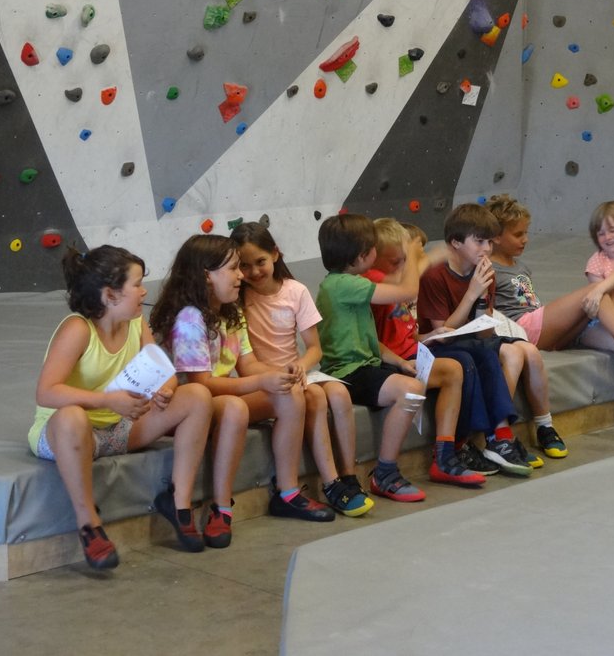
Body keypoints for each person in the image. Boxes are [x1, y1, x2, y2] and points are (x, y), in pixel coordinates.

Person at [32, 246, 214, 570]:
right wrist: (106, 400)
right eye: (137, 284)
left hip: (119, 427)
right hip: (71, 434)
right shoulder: (77, 329)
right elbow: (46, 392)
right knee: (73, 417)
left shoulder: (135, 321)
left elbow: (164, 371)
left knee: (197, 395)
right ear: (110, 295)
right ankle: (89, 523)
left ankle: (179, 501)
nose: (145, 291)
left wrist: (165, 392)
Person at [150, 235, 334, 524]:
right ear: (206, 276)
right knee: (236, 409)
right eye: (234, 268)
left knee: (292, 393)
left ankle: (287, 492)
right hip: (190, 407)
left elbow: (247, 365)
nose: (242, 276)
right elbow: (201, 384)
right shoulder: (189, 319)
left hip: (220, 397)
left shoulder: (231, 311)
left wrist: (281, 374)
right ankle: (221, 508)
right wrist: (262, 383)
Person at [230, 221, 373, 516]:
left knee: (339, 394)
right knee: (317, 398)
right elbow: (245, 364)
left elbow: (314, 349)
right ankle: (331, 484)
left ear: (275, 254)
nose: (254, 272)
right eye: (245, 266)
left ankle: (348, 477)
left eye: (260, 262)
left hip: (298, 372)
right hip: (264, 378)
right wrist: (281, 374)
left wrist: (301, 366)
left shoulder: (295, 291)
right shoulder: (240, 299)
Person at [417, 203, 569, 472]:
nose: (487, 249)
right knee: (477, 357)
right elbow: (443, 333)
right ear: (455, 242)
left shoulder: (485, 272)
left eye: (489, 241)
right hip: (443, 344)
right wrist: (472, 293)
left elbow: (485, 330)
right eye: (479, 241)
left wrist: (482, 297)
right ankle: (492, 437)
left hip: (470, 338)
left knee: (512, 350)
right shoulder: (435, 275)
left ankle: (500, 437)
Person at [315, 213, 438, 502]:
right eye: (373, 248)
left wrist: (398, 360)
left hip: (364, 365)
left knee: (412, 378)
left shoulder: (347, 282)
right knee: (411, 390)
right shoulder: (343, 284)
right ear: (362, 255)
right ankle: (385, 472)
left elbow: (369, 338)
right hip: (347, 372)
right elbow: (407, 291)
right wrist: (411, 253)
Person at [365, 218, 487, 485]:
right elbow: (371, 338)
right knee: (462, 360)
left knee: (457, 367)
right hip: (389, 360)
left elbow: (406, 328)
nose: (402, 267)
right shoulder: (372, 281)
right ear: (371, 258)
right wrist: (426, 259)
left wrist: (428, 337)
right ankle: (387, 469)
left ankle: (445, 453)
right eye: (395, 261)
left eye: (403, 261)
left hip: (410, 351)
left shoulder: (390, 278)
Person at [486, 195, 614, 392]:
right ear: (496, 236)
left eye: (526, 233)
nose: (525, 239)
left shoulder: (518, 265)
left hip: (544, 330)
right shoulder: (488, 267)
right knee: (595, 291)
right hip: (523, 329)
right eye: (518, 235)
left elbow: (525, 301)